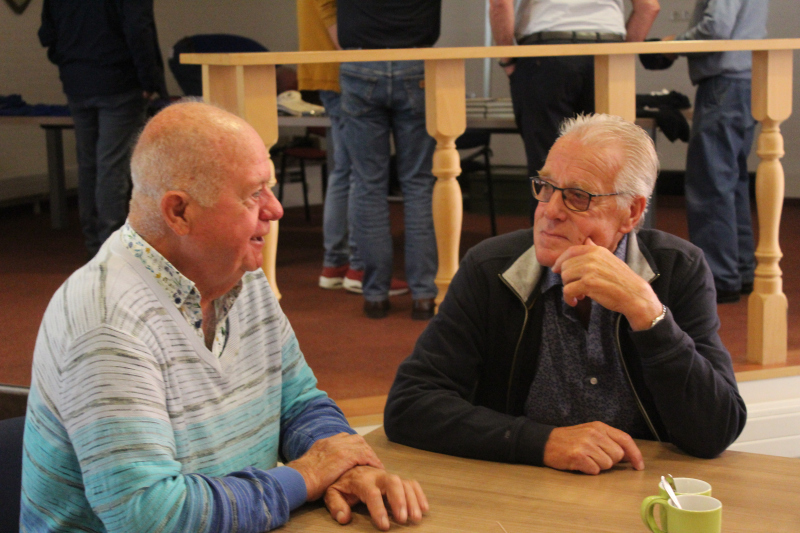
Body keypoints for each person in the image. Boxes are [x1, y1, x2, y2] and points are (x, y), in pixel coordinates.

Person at [21, 102, 427, 532]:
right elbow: (152, 517)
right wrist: (307, 476)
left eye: (270, 188)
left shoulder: (237, 276)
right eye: (254, 194)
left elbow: (297, 402)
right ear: (179, 212)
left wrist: (346, 465)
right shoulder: (108, 324)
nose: (275, 209)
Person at [384, 114, 746, 475]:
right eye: (545, 187)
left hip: (642, 487)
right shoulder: (491, 269)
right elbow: (410, 404)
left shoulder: (678, 269)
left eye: (577, 196)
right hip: (520, 486)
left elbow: (715, 431)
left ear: (631, 212)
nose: (549, 211)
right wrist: (542, 442)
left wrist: (647, 312)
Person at [295, 0, 409, 297]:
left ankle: (337, 264)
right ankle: (360, 267)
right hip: (345, 68)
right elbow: (328, 7)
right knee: (360, 173)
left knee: (345, 171)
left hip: (331, 66)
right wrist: (357, 57)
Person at [39, 0, 168, 258]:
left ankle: (93, 242)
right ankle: (112, 246)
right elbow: (138, 30)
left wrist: (70, 63)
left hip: (77, 83)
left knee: (89, 165)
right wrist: (149, 80)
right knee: (112, 166)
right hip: (120, 82)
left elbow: (47, 34)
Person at [337, 0, 441, 320]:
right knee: (419, 184)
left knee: (367, 184)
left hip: (360, 60)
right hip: (417, 59)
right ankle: (424, 296)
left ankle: (375, 295)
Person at [489, 0, 660, 190]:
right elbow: (649, 7)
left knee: (547, 163)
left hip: (546, 52)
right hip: (609, 52)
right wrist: (623, 56)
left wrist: (507, 60)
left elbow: (500, 3)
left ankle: (551, 209)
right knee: (611, 161)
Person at [665, 0, 768, 303]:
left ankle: (720, 278)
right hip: (746, 80)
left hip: (724, 84)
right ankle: (740, 271)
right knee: (732, 183)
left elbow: (716, 28)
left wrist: (673, 43)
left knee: (710, 184)